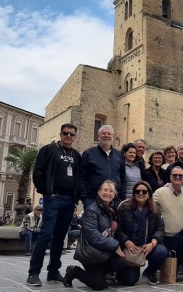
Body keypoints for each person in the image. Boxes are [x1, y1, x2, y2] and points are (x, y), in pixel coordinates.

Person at [26, 123, 82, 287]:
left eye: (72, 134)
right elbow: (38, 172)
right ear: (60, 134)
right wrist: (46, 191)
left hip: (69, 200)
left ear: (75, 137)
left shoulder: (76, 156)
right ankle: (33, 273)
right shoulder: (49, 150)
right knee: (46, 234)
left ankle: (53, 271)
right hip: (54, 198)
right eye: (66, 133)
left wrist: (76, 199)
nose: (68, 136)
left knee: (60, 237)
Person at [63, 180, 126, 290]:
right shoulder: (91, 210)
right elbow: (94, 237)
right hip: (92, 253)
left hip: (105, 252)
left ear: (114, 194)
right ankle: (74, 271)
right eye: (105, 190)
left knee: (121, 261)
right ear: (99, 192)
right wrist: (115, 245)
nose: (108, 193)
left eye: (111, 191)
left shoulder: (112, 211)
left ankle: (99, 273)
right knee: (99, 285)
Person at [117, 181, 168, 285]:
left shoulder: (155, 209)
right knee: (130, 281)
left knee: (162, 251)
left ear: (148, 194)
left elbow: (160, 229)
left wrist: (152, 244)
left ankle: (149, 272)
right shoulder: (124, 207)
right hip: (131, 247)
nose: (140, 193)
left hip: (146, 245)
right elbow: (118, 229)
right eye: (137, 191)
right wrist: (126, 241)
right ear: (134, 193)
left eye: (144, 191)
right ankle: (120, 272)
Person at [80, 125, 125, 209]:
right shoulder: (88, 154)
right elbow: (82, 177)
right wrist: (85, 199)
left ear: (113, 136)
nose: (106, 135)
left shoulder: (119, 155)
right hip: (93, 200)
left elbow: (123, 178)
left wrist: (121, 199)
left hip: (114, 201)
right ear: (98, 136)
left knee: (113, 223)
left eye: (109, 134)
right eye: (103, 133)